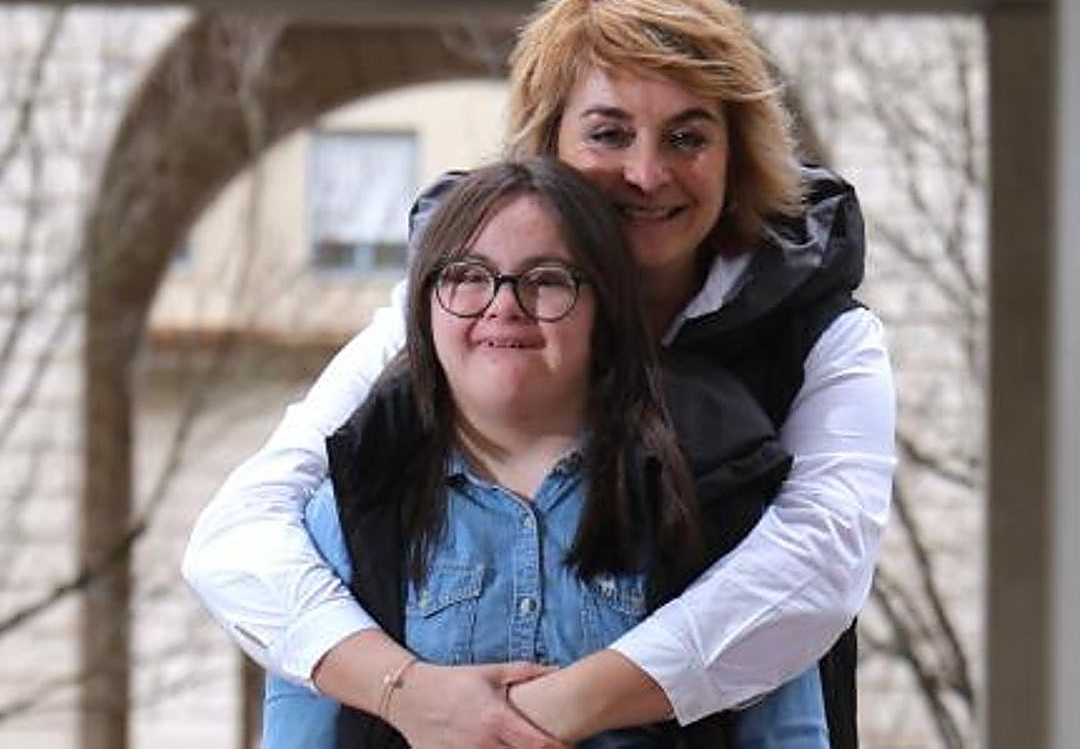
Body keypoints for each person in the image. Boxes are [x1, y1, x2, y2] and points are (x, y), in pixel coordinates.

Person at [183, 0, 896, 749]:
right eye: (608, 132)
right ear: (547, 146)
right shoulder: (451, 314)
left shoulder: (820, 336)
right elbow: (240, 537)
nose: (646, 171)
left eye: (688, 137)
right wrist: (409, 692)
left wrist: (552, 712)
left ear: (736, 157)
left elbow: (816, 571)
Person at [260, 157, 827, 748]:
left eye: (547, 279)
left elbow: (787, 732)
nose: (504, 303)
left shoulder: (711, 497)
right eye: (468, 275)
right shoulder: (352, 512)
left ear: (602, 310)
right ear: (424, 308)